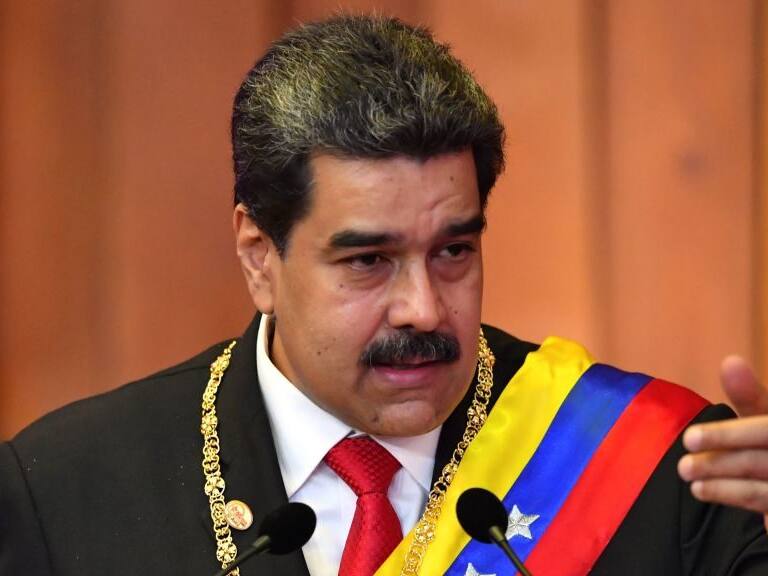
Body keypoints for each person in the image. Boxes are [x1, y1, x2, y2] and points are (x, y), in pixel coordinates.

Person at [1, 14, 767, 576]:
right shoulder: (63, 495)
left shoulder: (664, 474)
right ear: (259, 256)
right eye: (369, 261)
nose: (424, 310)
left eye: (454, 251)